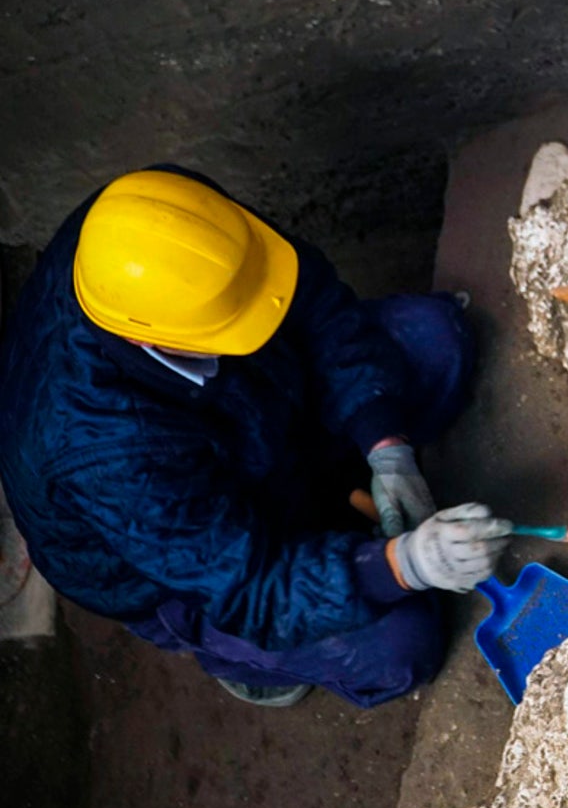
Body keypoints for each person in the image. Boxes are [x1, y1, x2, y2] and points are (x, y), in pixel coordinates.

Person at [0, 166, 511, 708]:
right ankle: (234, 656)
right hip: (187, 553)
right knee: (399, 648)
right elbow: (248, 586)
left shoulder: (166, 221)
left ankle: (335, 490)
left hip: (257, 409)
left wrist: (386, 443)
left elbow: (312, 301)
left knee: (436, 340)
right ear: (144, 335)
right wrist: (403, 567)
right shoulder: (104, 452)